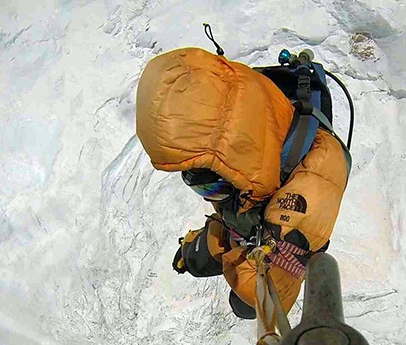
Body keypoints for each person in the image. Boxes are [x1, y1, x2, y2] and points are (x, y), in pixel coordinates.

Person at [136, 46, 349, 319]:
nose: (210, 197)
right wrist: (194, 253)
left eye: (212, 188)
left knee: (248, 304)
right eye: (203, 189)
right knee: (238, 213)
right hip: (257, 175)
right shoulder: (240, 174)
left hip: (286, 229)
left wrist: (237, 276)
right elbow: (236, 219)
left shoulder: (313, 178)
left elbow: (273, 287)